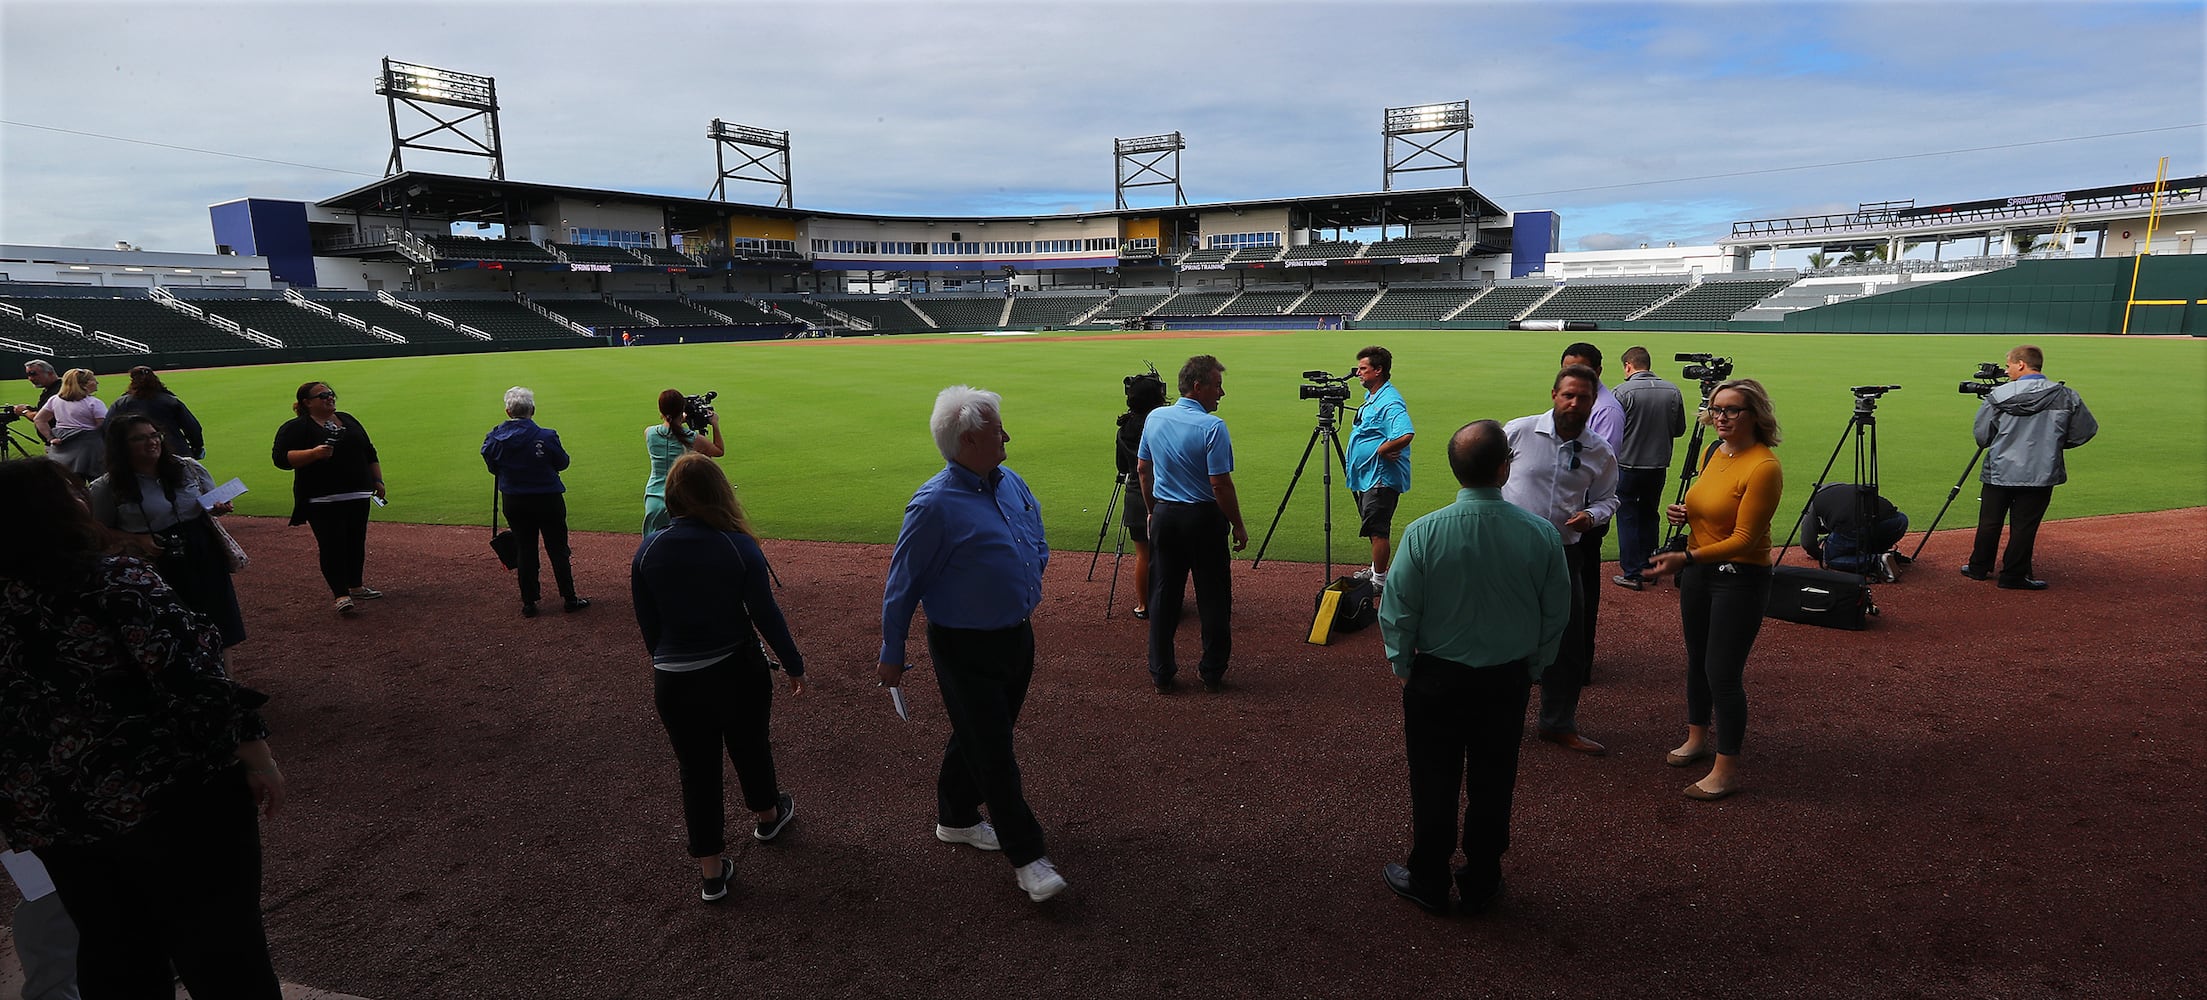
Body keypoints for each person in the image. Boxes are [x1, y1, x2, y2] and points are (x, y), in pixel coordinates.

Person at [0, 457, 285, 999]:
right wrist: (259, 759)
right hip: (170, 798)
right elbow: (196, 684)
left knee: (114, 948)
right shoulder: (114, 581)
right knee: (223, 950)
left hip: (55, 811)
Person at [879, 386, 1066, 904]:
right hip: (963, 646)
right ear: (967, 441)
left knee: (983, 732)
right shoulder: (933, 505)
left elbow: (1035, 534)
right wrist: (892, 651)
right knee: (994, 751)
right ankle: (1027, 856)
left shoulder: (1011, 482)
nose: (1007, 435)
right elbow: (902, 584)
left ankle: (956, 817)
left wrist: (1025, 578)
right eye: (996, 430)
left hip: (1016, 635)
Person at [1378, 420, 1570, 917]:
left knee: (1432, 779)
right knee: (1493, 780)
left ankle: (1429, 877)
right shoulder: (1540, 534)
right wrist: (1535, 667)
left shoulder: (1424, 531)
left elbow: (1398, 610)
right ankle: (1482, 878)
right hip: (1505, 679)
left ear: (1454, 469)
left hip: (1436, 678)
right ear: (1505, 467)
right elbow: (1557, 613)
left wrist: (1402, 665)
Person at [631, 453, 804, 904]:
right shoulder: (737, 545)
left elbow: (649, 626)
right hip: (733, 669)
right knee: (749, 744)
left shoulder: (647, 549)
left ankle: (712, 874)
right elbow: (766, 614)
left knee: (696, 770)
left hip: (673, 679)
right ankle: (768, 815)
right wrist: (793, 663)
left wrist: (670, 664)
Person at [1641, 378, 1785, 801]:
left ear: (1754, 415)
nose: (1720, 416)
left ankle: (1726, 768)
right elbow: (1710, 505)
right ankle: (1696, 737)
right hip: (1702, 572)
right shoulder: (1713, 452)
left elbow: (1744, 538)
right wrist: (1684, 514)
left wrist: (1685, 558)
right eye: (1717, 409)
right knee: (1697, 661)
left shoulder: (1764, 467)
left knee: (1722, 672)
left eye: (1732, 410)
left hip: (1739, 579)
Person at [1501, 365, 1617, 756]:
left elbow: (1608, 498)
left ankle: (1557, 723)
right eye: (1568, 394)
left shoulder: (1600, 451)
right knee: (1503, 635)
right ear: (1553, 394)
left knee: (1568, 642)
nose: (1574, 402)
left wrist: (1593, 516)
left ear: (1592, 401)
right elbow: (1487, 477)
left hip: (1563, 552)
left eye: (1583, 397)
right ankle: (1495, 718)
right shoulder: (1518, 431)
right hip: (1510, 550)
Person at [1137, 354, 1248, 695]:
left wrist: (1154, 510)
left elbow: (1143, 470)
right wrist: (1238, 525)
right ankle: (1212, 671)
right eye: (1217, 386)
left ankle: (1161, 671)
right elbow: (1220, 484)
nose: (1221, 393)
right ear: (1197, 387)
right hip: (1203, 517)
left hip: (1167, 516)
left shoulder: (1155, 417)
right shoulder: (1212, 427)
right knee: (1213, 597)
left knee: (1163, 595)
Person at [88, 414, 247, 648]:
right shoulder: (105, 487)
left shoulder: (188, 468)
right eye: (139, 439)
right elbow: (97, 531)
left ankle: (224, 681)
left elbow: (209, 505)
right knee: (172, 631)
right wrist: (136, 539)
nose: (151, 442)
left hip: (202, 550)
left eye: (154, 435)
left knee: (221, 627)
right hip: (153, 561)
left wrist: (219, 508)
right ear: (122, 446)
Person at [1962, 344, 2097, 591]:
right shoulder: (2065, 395)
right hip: (2040, 472)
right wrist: (2052, 446)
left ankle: (1979, 568)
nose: (2007, 370)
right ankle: (2013, 576)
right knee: (2024, 526)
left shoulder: (1999, 395)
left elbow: (1983, 437)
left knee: (1990, 521)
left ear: (2021, 364)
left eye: (2009, 365)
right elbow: (2085, 431)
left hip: (2000, 470)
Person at [271, 381, 385, 616]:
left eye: (331, 394)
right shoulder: (296, 427)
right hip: (321, 498)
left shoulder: (348, 420)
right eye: (322, 395)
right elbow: (281, 459)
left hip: (357, 493)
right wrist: (314, 454)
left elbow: (369, 451)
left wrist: (378, 480)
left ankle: (356, 585)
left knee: (355, 541)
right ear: (307, 402)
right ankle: (341, 594)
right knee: (332, 544)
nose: (329, 398)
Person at [483, 386, 589, 618]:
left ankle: (529, 602)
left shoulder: (494, 437)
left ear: (508, 412)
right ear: (533, 410)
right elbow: (562, 463)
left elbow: (492, 466)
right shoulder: (547, 436)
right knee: (557, 548)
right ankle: (569, 598)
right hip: (547, 499)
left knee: (525, 548)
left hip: (515, 500)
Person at [1557, 345, 1622, 670]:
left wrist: (1588, 515)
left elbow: (1596, 469)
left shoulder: (1606, 411)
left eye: (1581, 369)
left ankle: (1579, 663)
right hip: (1559, 525)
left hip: (1583, 524)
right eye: (1568, 369)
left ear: (1597, 372)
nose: (1576, 376)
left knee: (1580, 596)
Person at [1610, 346, 1685, 590]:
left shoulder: (1621, 392)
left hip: (1628, 465)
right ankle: (1651, 567)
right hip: (1657, 466)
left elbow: (1612, 430)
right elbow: (1679, 429)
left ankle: (1632, 572)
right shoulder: (1672, 390)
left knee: (1627, 515)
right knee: (1650, 514)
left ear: (1628, 366)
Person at [1344, 345, 1415, 592]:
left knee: (1378, 530)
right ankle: (1376, 570)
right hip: (1371, 476)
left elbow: (1406, 433)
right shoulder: (1375, 396)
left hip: (1381, 478)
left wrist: (1384, 449)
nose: (1358, 373)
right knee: (1374, 527)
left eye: (1363, 369)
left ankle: (1379, 582)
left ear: (1379, 370)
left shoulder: (1390, 401)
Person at [1114, 370, 1170, 619]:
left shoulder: (1124, 428)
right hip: (1164, 494)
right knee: (1167, 553)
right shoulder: (1162, 423)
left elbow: (1122, 467)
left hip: (1135, 496)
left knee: (1143, 554)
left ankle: (1144, 604)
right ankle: (1167, 601)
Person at [643, 389, 724, 535]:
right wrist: (715, 424)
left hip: (653, 499)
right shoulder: (694, 439)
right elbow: (718, 450)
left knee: (653, 547)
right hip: (680, 500)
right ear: (682, 409)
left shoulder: (649, 433)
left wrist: (679, 419)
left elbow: (670, 429)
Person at [1799, 482, 1908, 582]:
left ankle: (1877, 561)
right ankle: (1884, 554)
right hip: (1898, 522)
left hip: (1856, 527)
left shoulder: (1817, 500)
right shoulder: (1852, 488)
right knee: (1860, 532)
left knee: (1831, 558)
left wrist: (1819, 554)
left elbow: (1807, 542)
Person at [108, 365, 206, 460]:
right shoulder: (170, 401)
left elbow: (108, 428)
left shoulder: (120, 403)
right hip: (174, 450)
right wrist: (197, 447)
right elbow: (192, 427)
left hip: (136, 452)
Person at [32, 369, 106, 480]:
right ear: (84, 384)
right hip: (91, 452)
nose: (96, 382)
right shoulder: (94, 403)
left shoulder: (54, 400)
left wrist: (50, 438)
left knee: (69, 488)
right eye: (93, 380)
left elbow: (39, 420)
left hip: (63, 450)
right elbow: (104, 426)